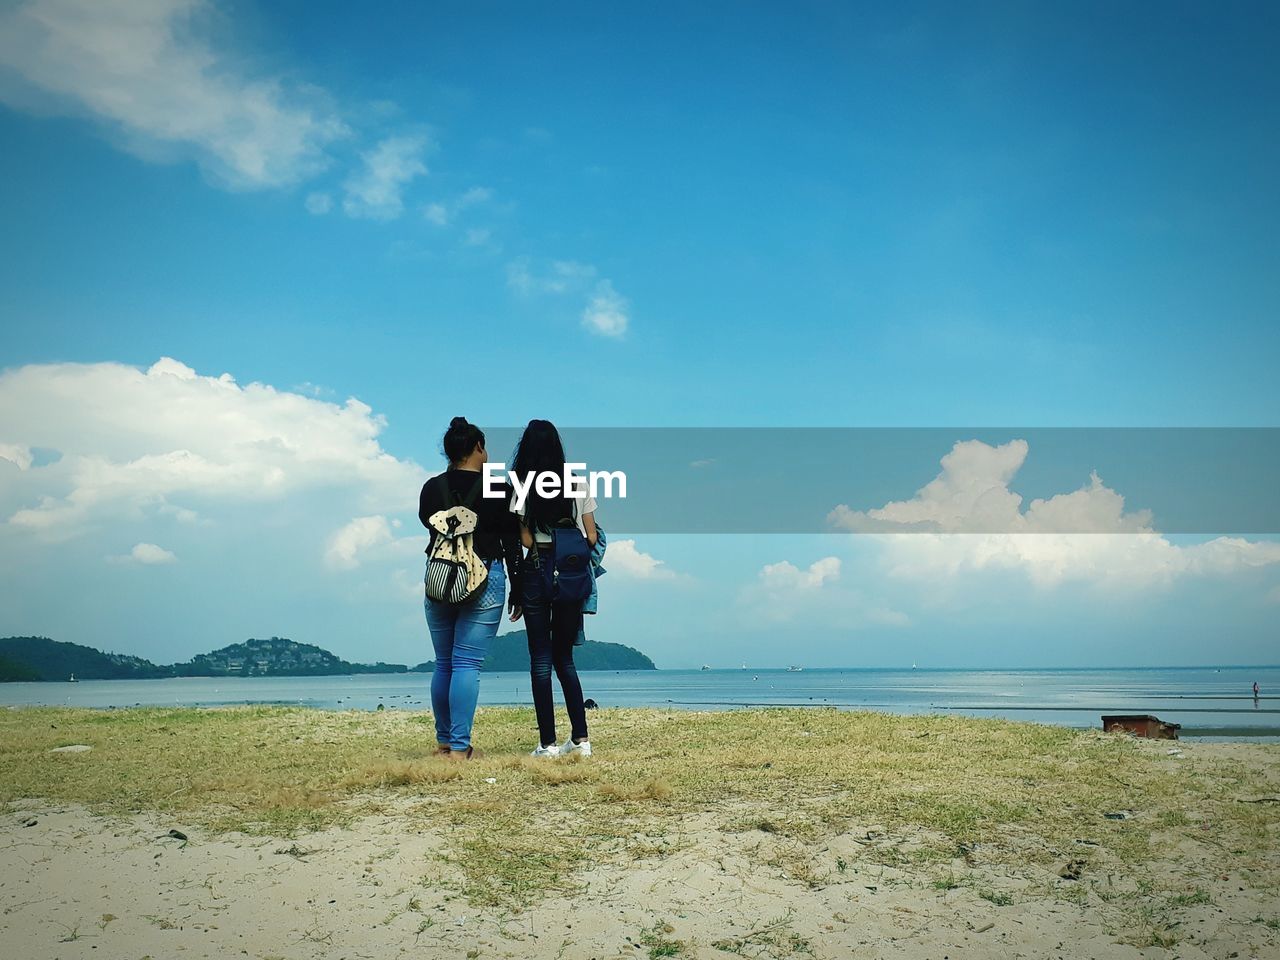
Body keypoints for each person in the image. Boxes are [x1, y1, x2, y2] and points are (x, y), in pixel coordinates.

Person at [419, 418, 522, 760]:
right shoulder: (498, 488)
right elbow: (511, 543)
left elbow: (431, 528)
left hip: (439, 578)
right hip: (485, 578)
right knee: (466, 663)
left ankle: (445, 743)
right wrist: (519, 586)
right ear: (479, 447)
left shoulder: (431, 488)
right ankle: (461, 748)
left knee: (444, 662)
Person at [510, 419, 596, 758]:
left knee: (540, 659)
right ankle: (580, 740)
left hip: (536, 572)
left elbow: (526, 540)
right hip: (570, 575)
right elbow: (591, 536)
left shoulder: (521, 489)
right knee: (565, 658)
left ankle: (546, 743)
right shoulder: (579, 484)